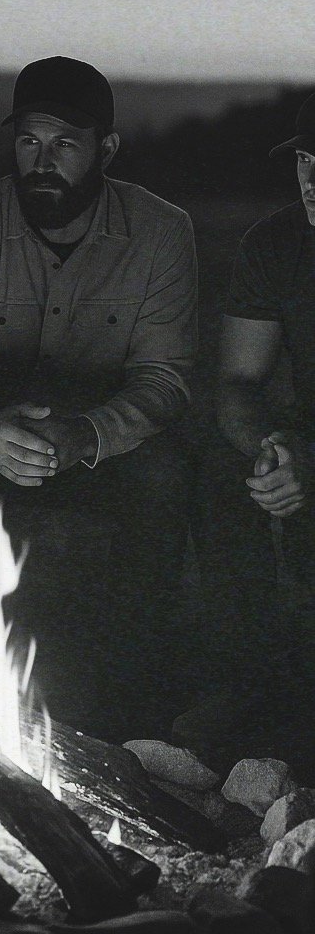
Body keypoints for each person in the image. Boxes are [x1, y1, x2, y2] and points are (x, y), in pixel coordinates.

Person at [0, 56, 199, 739]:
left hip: (97, 445)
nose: (40, 161)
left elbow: (164, 378)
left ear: (105, 148)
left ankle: (132, 713)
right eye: (27, 140)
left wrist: (88, 435)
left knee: (166, 473)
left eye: (63, 143)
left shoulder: (162, 231)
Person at [192, 91, 315, 701]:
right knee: (223, 470)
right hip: (307, 444)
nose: (312, 182)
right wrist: (275, 448)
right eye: (305, 161)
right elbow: (239, 382)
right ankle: (239, 701)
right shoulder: (276, 242)